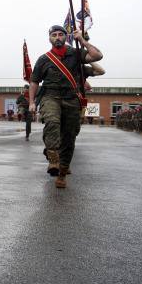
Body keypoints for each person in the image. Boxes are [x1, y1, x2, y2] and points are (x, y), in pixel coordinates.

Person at [29, 26, 103, 188]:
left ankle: (62, 173)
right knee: (52, 122)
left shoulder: (75, 53)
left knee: (69, 137)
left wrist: (82, 40)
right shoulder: (44, 59)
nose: (57, 37)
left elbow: (97, 56)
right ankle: (53, 159)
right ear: (49, 38)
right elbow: (34, 81)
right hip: (50, 96)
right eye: (54, 35)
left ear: (66, 37)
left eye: (61, 34)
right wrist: (32, 102)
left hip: (71, 99)